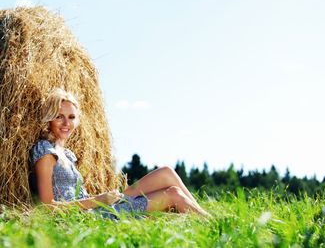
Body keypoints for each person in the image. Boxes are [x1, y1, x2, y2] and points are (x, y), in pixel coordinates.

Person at [30, 88, 209, 219]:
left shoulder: (67, 154)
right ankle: (213, 224)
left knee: (166, 172)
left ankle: (207, 216)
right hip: (92, 214)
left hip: (98, 206)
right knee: (173, 194)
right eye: (59, 116)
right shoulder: (46, 152)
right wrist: (98, 200)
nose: (66, 123)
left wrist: (103, 198)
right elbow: (47, 207)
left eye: (71, 117)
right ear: (50, 118)